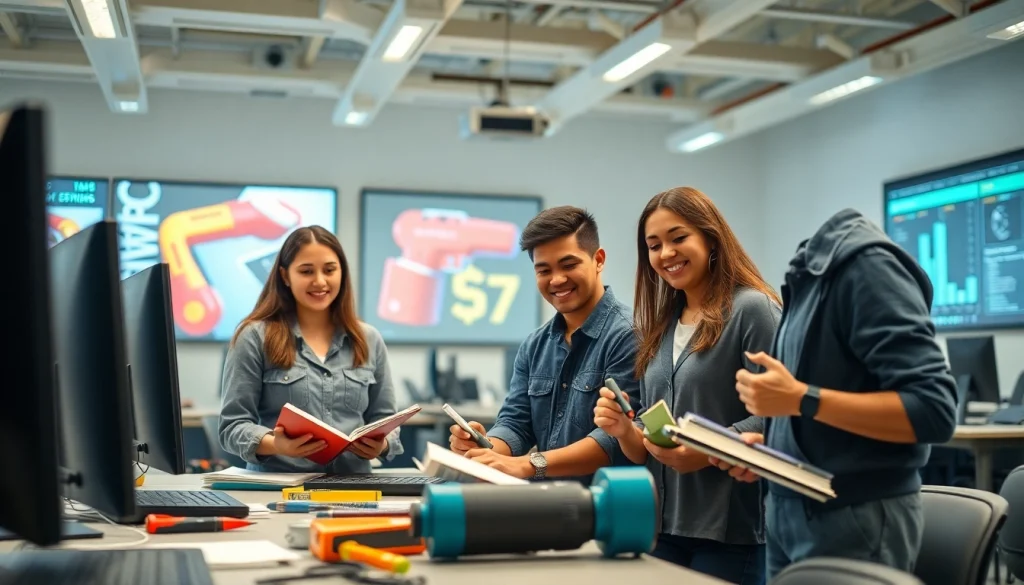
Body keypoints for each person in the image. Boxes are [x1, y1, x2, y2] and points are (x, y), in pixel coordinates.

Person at [715, 208, 958, 579]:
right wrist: (775, 450)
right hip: (790, 512)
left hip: (851, 515)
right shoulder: (809, 277)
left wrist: (799, 398)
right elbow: (830, 407)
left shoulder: (866, 268)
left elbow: (933, 410)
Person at [593, 187, 780, 585]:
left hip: (732, 533)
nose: (666, 254)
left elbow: (781, 414)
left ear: (711, 238)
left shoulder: (753, 309)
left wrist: (707, 450)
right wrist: (626, 429)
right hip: (662, 526)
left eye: (679, 238)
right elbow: (645, 444)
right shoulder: (662, 324)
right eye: (654, 245)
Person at [448, 206, 639, 483]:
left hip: (605, 508)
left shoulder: (628, 336)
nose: (557, 279)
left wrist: (528, 464)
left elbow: (611, 439)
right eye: (544, 270)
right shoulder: (535, 345)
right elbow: (515, 424)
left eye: (569, 265)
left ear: (598, 260)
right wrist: (485, 449)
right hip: (548, 506)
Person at [219, 225, 403, 473]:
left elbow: (385, 420)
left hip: (354, 488)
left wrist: (381, 445)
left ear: (342, 273)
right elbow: (232, 427)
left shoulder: (369, 339)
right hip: (277, 489)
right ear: (285, 276)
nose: (320, 281)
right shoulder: (253, 336)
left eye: (330, 270)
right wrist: (276, 444)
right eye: (306, 271)